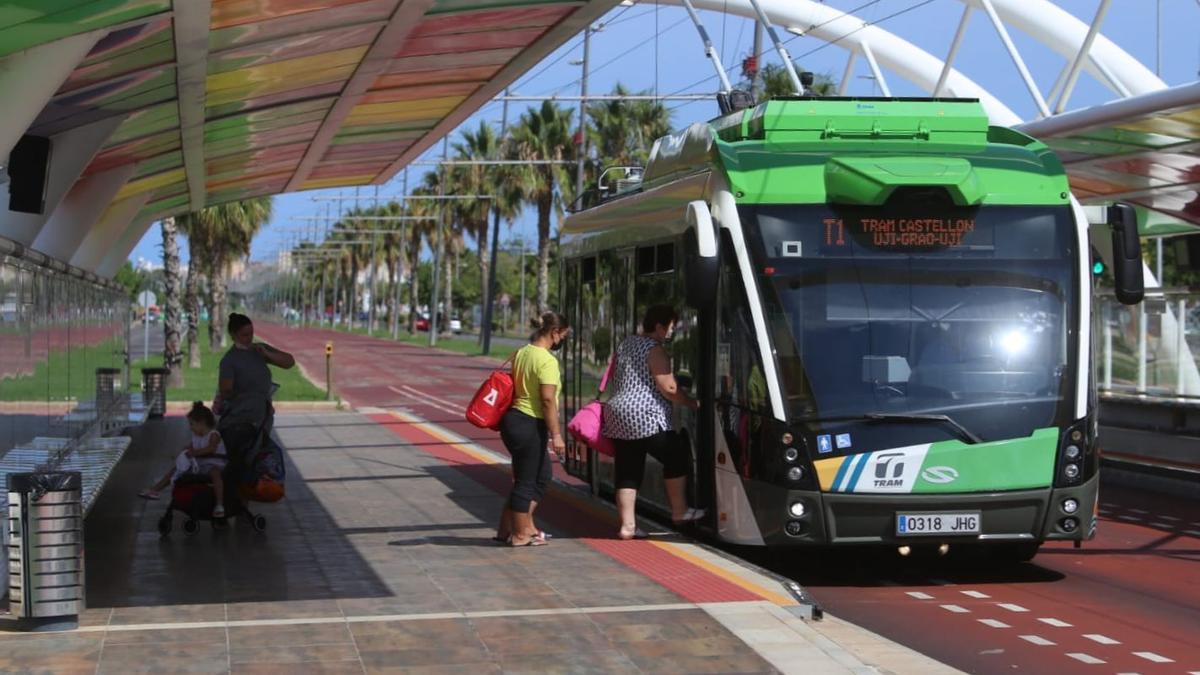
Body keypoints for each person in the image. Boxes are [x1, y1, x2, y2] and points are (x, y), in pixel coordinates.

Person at [603, 305, 704, 540]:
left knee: (628, 469)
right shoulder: (654, 348)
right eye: (670, 327)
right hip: (644, 415)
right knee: (676, 454)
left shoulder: (627, 343)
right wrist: (690, 403)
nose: (671, 332)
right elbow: (668, 387)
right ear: (658, 326)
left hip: (618, 414)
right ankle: (680, 511)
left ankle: (627, 526)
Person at [495, 312, 571, 547]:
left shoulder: (522, 352)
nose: (563, 340)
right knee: (528, 481)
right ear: (555, 333)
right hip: (529, 422)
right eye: (564, 335)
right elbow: (548, 400)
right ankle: (520, 534)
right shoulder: (547, 361)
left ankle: (511, 528)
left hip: (514, 420)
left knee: (537, 477)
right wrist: (557, 435)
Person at [213, 313, 295, 508]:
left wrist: (267, 355)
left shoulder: (259, 350)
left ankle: (244, 502)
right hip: (239, 420)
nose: (249, 338)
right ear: (233, 335)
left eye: (251, 334)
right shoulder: (229, 360)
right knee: (240, 460)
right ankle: (232, 502)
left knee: (253, 460)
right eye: (244, 335)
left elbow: (289, 361)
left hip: (262, 418)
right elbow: (225, 389)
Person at [139, 402, 229, 517]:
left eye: (192, 424)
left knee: (216, 475)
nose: (190, 428)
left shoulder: (213, 435)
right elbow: (190, 448)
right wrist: (182, 455)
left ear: (202, 423)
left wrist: (194, 453)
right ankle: (156, 489)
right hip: (200, 464)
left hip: (215, 463)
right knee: (176, 469)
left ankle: (219, 504)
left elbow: (211, 449)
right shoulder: (196, 436)